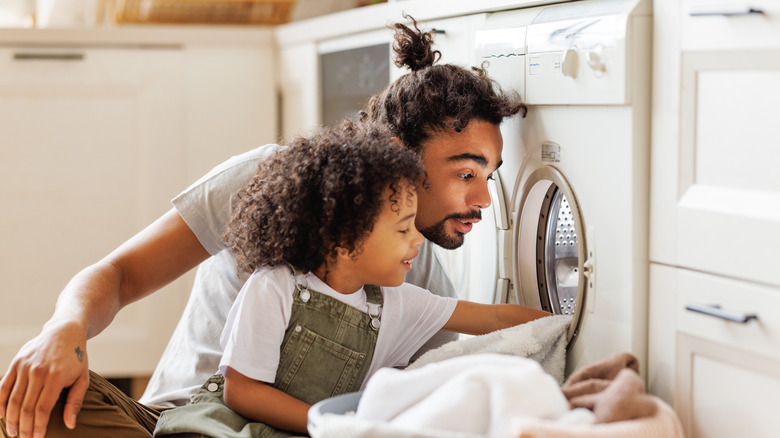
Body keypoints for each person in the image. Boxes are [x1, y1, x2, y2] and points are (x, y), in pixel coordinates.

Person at [0, 15, 526, 438]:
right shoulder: (273, 178)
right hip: (179, 421)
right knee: (31, 403)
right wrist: (63, 328)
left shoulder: (415, 271)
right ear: (398, 154)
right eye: (465, 172)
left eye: (490, 177)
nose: (482, 199)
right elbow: (120, 274)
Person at [152, 121, 550, 438]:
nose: (417, 240)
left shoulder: (397, 300)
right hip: (228, 427)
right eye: (403, 229)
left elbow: (493, 319)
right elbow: (241, 390)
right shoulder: (275, 286)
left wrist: (567, 323)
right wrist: (328, 423)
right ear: (344, 239)